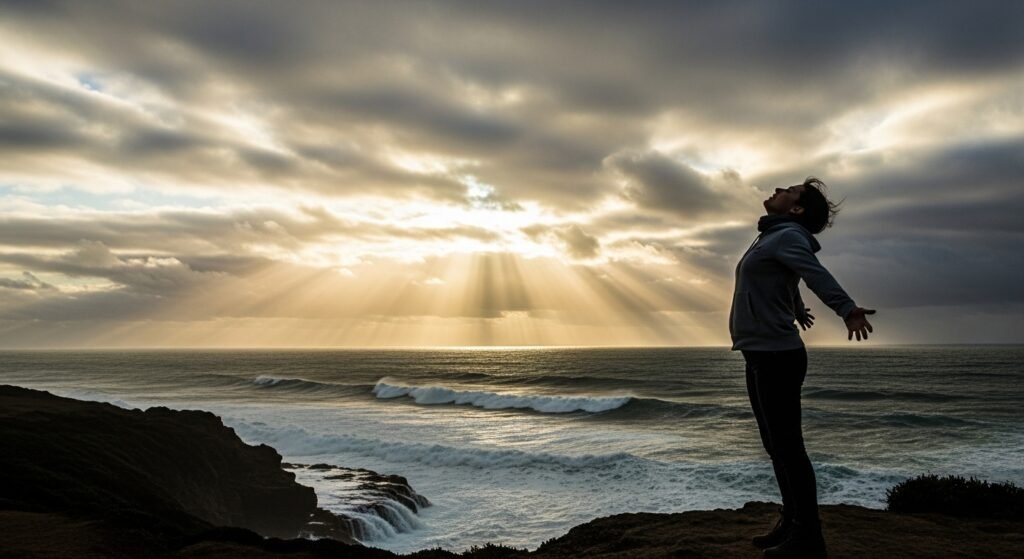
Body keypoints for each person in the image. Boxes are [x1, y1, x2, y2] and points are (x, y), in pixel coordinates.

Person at [729, 177, 875, 559]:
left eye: (789, 190)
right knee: (775, 446)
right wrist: (795, 308)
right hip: (759, 353)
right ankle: (791, 520)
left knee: (789, 448)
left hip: (777, 356)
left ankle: (808, 537)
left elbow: (813, 273)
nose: (778, 188)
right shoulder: (771, 237)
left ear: (796, 209)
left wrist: (847, 309)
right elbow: (784, 277)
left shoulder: (787, 236)